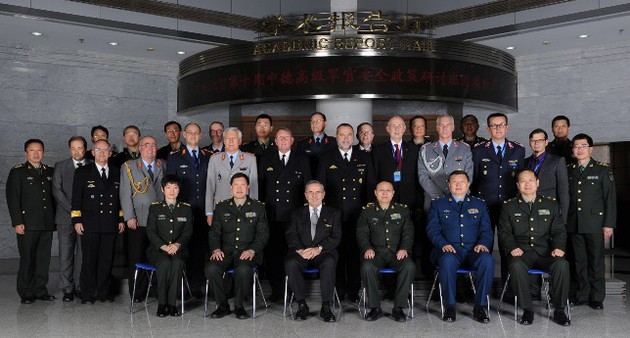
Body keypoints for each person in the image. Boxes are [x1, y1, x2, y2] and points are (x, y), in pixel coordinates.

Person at [498, 170, 571, 326]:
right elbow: (504, 232)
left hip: (545, 252)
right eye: (523, 181)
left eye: (531, 180)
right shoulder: (508, 206)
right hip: (521, 252)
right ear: (518, 185)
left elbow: (559, 230)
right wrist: (512, 247)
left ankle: (559, 310)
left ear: (538, 183)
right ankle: (527, 309)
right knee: (516, 265)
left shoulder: (550, 204)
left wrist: (558, 247)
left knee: (562, 264)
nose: (527, 184)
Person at [317, 123, 375, 302]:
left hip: (358, 216)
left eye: (349, 135)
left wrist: (369, 214)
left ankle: (354, 291)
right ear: (336, 137)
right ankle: (339, 291)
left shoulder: (364, 157)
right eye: (342, 135)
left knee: (355, 254)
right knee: (336, 254)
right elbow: (320, 189)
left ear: (354, 137)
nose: (345, 138)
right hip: (333, 218)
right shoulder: (326, 158)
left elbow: (370, 187)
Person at [426, 171, 493, 323]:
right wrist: (443, 244)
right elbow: (432, 230)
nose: (458, 185)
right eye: (454, 181)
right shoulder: (438, 204)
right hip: (447, 251)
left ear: (468, 184)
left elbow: (486, 231)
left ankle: (480, 306)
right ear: (448, 184)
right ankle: (450, 306)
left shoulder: (479, 204)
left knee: (487, 260)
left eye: (462, 181)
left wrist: (483, 244)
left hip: (472, 251)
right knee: (447, 261)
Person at [205, 173, 269, 319]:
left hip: (248, 251)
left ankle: (239, 305)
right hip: (225, 251)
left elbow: (263, 234)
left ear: (248, 187)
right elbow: (214, 232)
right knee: (211, 268)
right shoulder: (221, 207)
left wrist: (252, 250)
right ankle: (223, 305)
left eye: (242, 185)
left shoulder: (258, 207)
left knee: (244, 269)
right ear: (231, 187)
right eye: (236, 185)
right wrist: (216, 249)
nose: (239, 188)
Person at [258, 127, 311, 301]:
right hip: (272, 216)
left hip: (295, 218)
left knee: (294, 254)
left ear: (292, 141)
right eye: (280, 138)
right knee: (274, 255)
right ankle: (277, 291)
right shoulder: (266, 159)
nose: (283, 141)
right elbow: (260, 189)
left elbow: (308, 189)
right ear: (275, 141)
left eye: (286, 138)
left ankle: (295, 291)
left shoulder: (302, 160)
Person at [471, 112, 525, 284]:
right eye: (494, 125)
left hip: (509, 207)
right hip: (485, 205)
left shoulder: (518, 149)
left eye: (501, 125)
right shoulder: (479, 150)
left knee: (507, 247)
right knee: (483, 246)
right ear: (488, 129)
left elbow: (520, 180)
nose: (498, 128)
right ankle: (482, 288)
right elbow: (475, 179)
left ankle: (507, 289)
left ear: (507, 127)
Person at [71, 139, 125, 304]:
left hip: (110, 222)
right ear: (92, 153)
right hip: (89, 223)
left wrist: (121, 219)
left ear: (110, 153)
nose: (102, 153)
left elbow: (121, 198)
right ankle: (87, 293)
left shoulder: (117, 171)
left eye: (105, 150)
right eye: (98, 150)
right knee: (89, 259)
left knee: (106, 259)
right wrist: (77, 220)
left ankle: (103, 292)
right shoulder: (83, 172)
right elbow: (76, 198)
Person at [567, 133, 616, 310]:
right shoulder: (569, 169)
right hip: (574, 223)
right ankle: (582, 295)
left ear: (590, 149)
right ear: (572, 149)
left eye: (583, 146)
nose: (579, 149)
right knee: (579, 262)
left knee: (595, 261)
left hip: (595, 223)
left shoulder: (602, 169)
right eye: (576, 146)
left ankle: (596, 297)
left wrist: (609, 224)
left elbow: (610, 198)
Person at [373, 115, 425, 278]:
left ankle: (410, 279)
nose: (396, 128)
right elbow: (373, 180)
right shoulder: (378, 151)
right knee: (389, 243)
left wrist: (419, 204)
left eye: (400, 125)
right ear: (387, 129)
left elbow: (419, 179)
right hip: (386, 205)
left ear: (404, 129)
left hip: (410, 203)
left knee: (410, 241)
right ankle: (389, 285)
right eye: (393, 125)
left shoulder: (415, 150)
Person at [6, 139, 56, 304]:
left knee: (43, 259)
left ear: (43, 152)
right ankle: (26, 291)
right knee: (27, 258)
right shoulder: (18, 172)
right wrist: (17, 222)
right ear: (26, 153)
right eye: (32, 150)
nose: (36, 154)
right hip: (27, 224)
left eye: (39, 150)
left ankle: (40, 289)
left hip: (46, 223)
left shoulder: (50, 171)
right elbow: (13, 199)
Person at [357, 181, 415, 322]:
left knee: (409, 266)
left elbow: (408, 233)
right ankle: (375, 308)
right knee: (367, 266)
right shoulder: (367, 211)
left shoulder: (403, 210)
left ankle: (399, 308)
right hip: (375, 253)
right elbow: (361, 233)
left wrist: (404, 248)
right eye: (381, 190)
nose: (384, 193)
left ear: (393, 193)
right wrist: (367, 248)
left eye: (388, 190)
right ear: (375, 193)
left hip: (397, 253)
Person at [284, 180, 342, 322]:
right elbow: (291, 234)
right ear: (305, 195)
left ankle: (326, 306)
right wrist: (300, 249)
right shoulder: (296, 213)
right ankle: (302, 305)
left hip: (323, 252)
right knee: (291, 263)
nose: (314, 195)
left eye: (318, 192)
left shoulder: (334, 213)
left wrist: (318, 248)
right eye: (310, 192)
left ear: (323, 195)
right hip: (301, 252)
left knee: (329, 262)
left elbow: (336, 237)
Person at [166, 122, 211, 297]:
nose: (192, 136)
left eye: (196, 133)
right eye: (189, 133)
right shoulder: (175, 157)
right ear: (184, 134)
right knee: (183, 249)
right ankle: (181, 288)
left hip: (205, 212)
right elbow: (170, 186)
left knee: (200, 250)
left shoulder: (209, 156)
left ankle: (196, 287)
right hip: (184, 212)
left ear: (200, 136)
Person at [119, 136, 165, 303]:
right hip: (138, 220)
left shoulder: (162, 165)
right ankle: (137, 293)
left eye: (153, 145)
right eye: (146, 145)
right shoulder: (129, 167)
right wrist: (129, 216)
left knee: (157, 256)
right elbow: (125, 193)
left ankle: (155, 290)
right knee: (137, 258)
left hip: (159, 222)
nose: (150, 148)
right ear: (139, 148)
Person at [52, 136, 93, 302]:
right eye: (74, 148)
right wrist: (74, 211)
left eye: (80, 148)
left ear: (85, 148)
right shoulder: (60, 166)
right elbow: (57, 191)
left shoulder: (92, 165)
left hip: (87, 219)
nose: (77, 151)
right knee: (66, 255)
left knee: (83, 254)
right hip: (65, 218)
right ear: (69, 149)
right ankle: (67, 289)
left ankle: (80, 286)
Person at [146, 175, 193, 317]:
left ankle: (172, 304)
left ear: (179, 190)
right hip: (158, 249)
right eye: (168, 187)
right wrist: (163, 246)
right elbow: (151, 231)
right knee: (165, 262)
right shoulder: (155, 208)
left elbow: (188, 231)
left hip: (179, 249)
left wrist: (177, 245)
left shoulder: (186, 208)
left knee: (177, 263)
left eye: (175, 187)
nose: (172, 191)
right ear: (162, 189)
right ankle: (162, 304)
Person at [418, 114, 473, 211]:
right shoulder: (425, 149)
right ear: (437, 127)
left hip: (459, 200)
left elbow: (469, 175)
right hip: (433, 200)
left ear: (453, 127)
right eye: (441, 125)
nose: (445, 128)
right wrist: (441, 197)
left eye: (448, 125)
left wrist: (454, 196)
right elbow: (423, 177)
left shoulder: (465, 148)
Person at [206, 127, 258, 223]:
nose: (230, 141)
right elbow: (210, 187)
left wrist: (253, 210)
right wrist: (209, 212)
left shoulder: (250, 159)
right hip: (220, 207)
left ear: (240, 141)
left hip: (243, 208)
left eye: (233, 138)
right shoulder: (214, 159)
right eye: (227, 138)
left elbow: (253, 188)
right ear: (224, 141)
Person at [526, 128, 569, 222]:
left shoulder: (558, 161)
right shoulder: (525, 162)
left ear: (546, 142)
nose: (536, 143)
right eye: (533, 140)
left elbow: (563, 191)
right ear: (530, 143)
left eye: (540, 140)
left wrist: (563, 219)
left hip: (549, 211)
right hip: (528, 212)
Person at [296, 112, 336, 176]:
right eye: (312, 121)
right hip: (309, 181)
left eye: (318, 121)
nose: (314, 124)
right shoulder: (302, 143)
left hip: (328, 181)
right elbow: (298, 166)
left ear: (325, 123)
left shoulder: (334, 142)